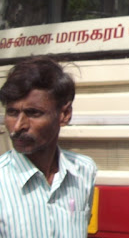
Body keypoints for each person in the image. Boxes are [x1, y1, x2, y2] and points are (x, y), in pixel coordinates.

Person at [0, 56, 97, 237]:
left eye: (33, 113)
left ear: (65, 114)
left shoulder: (84, 171)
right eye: (12, 112)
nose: (18, 126)